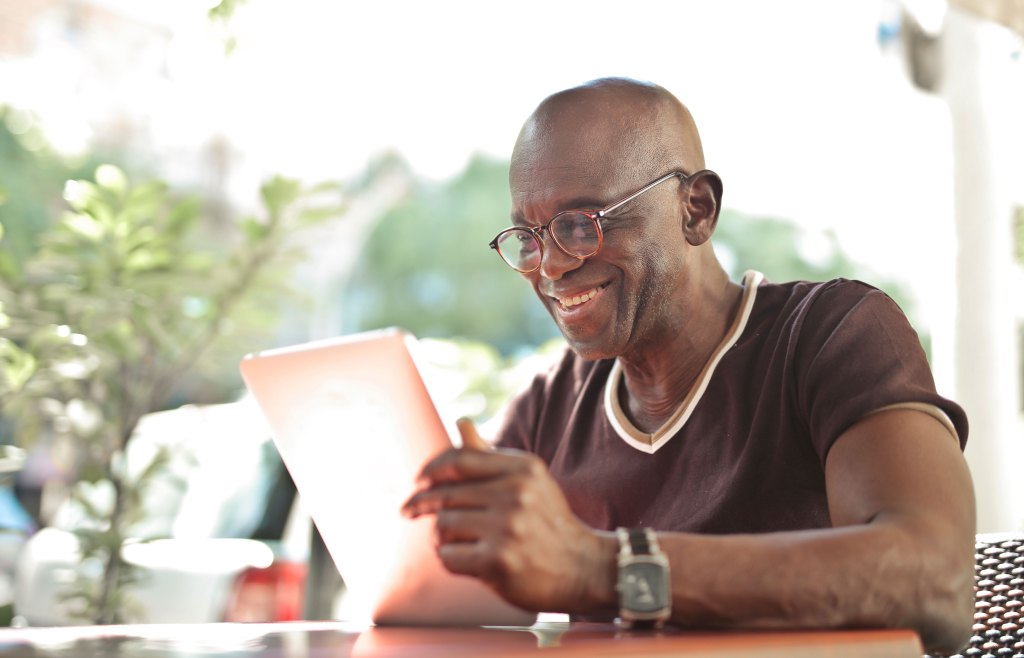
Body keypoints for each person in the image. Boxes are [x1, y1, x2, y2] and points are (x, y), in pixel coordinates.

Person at [401, 78, 976, 655]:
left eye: (581, 224)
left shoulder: (832, 333)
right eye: (529, 236)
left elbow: (935, 581)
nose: (548, 267)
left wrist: (603, 567)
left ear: (695, 210)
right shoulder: (551, 404)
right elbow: (450, 593)